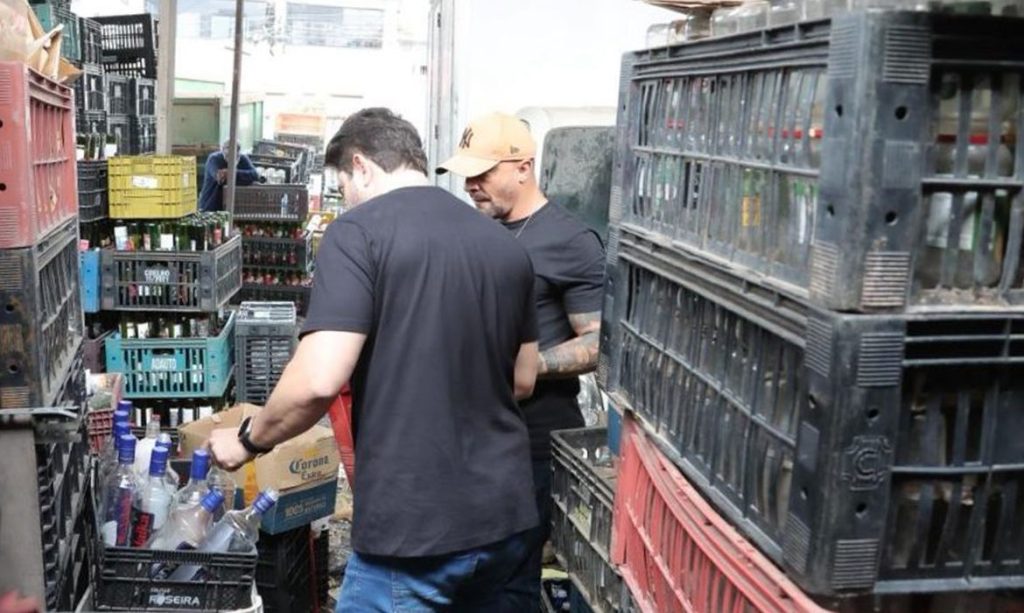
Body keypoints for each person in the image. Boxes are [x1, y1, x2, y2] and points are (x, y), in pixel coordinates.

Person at [207, 108, 542, 612]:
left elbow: (318, 380)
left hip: (415, 530)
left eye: (343, 185)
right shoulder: (506, 246)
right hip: (506, 519)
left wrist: (247, 440)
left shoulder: (357, 234)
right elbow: (523, 378)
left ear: (361, 166)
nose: (345, 198)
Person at [437, 111, 606, 611]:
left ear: (523, 167)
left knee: (508, 584)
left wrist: (532, 367)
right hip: (470, 436)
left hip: (529, 444)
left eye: (482, 173)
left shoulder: (570, 241)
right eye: (466, 174)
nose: (471, 185)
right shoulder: (475, 232)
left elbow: (599, 341)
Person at [198, 140, 264, 212]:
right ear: (222, 150)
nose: (232, 156)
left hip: (232, 205)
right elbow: (220, 178)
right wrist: (241, 177)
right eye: (228, 149)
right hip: (210, 204)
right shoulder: (214, 159)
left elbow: (255, 175)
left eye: (236, 151)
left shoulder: (242, 158)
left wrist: (231, 173)